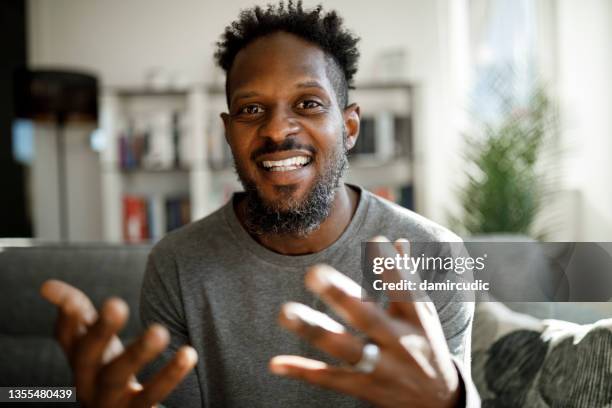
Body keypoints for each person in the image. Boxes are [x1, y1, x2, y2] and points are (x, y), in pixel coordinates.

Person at [40, 2, 479, 407]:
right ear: (228, 133)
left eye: (308, 103)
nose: (276, 130)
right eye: (251, 109)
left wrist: (451, 401)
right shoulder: (177, 265)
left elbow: (441, 389)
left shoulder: (434, 254)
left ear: (348, 127)